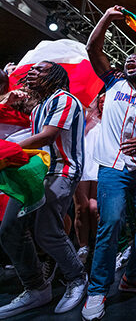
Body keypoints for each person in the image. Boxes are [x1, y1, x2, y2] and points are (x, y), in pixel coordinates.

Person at [82, 5, 136, 320]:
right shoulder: (113, 82)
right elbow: (93, 47)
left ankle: (131, 277)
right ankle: (97, 291)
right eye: (127, 57)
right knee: (111, 223)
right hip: (113, 169)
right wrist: (105, 18)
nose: (130, 59)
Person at [0, 61, 87, 318]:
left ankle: (77, 279)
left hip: (61, 172)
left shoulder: (65, 99)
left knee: (47, 232)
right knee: (9, 229)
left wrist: (6, 151)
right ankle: (37, 288)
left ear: (57, 76)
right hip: (37, 173)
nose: (33, 72)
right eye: (33, 70)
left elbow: (47, 136)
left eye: (41, 69)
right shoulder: (39, 106)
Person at [73, 93, 105, 264]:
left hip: (101, 165)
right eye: (100, 100)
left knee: (95, 208)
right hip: (83, 164)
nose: (102, 103)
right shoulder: (87, 117)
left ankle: (98, 247)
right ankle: (83, 246)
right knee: (81, 208)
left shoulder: (111, 120)